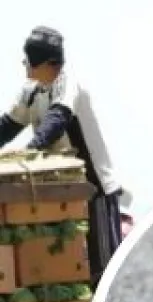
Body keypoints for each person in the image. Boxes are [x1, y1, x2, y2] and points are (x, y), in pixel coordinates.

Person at [0, 26, 132, 283]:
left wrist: (29, 153)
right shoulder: (32, 91)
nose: (26, 65)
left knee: (103, 268)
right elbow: (8, 125)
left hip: (94, 188)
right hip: (63, 190)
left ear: (50, 64)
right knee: (73, 265)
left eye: (31, 61)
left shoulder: (70, 84)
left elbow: (56, 120)